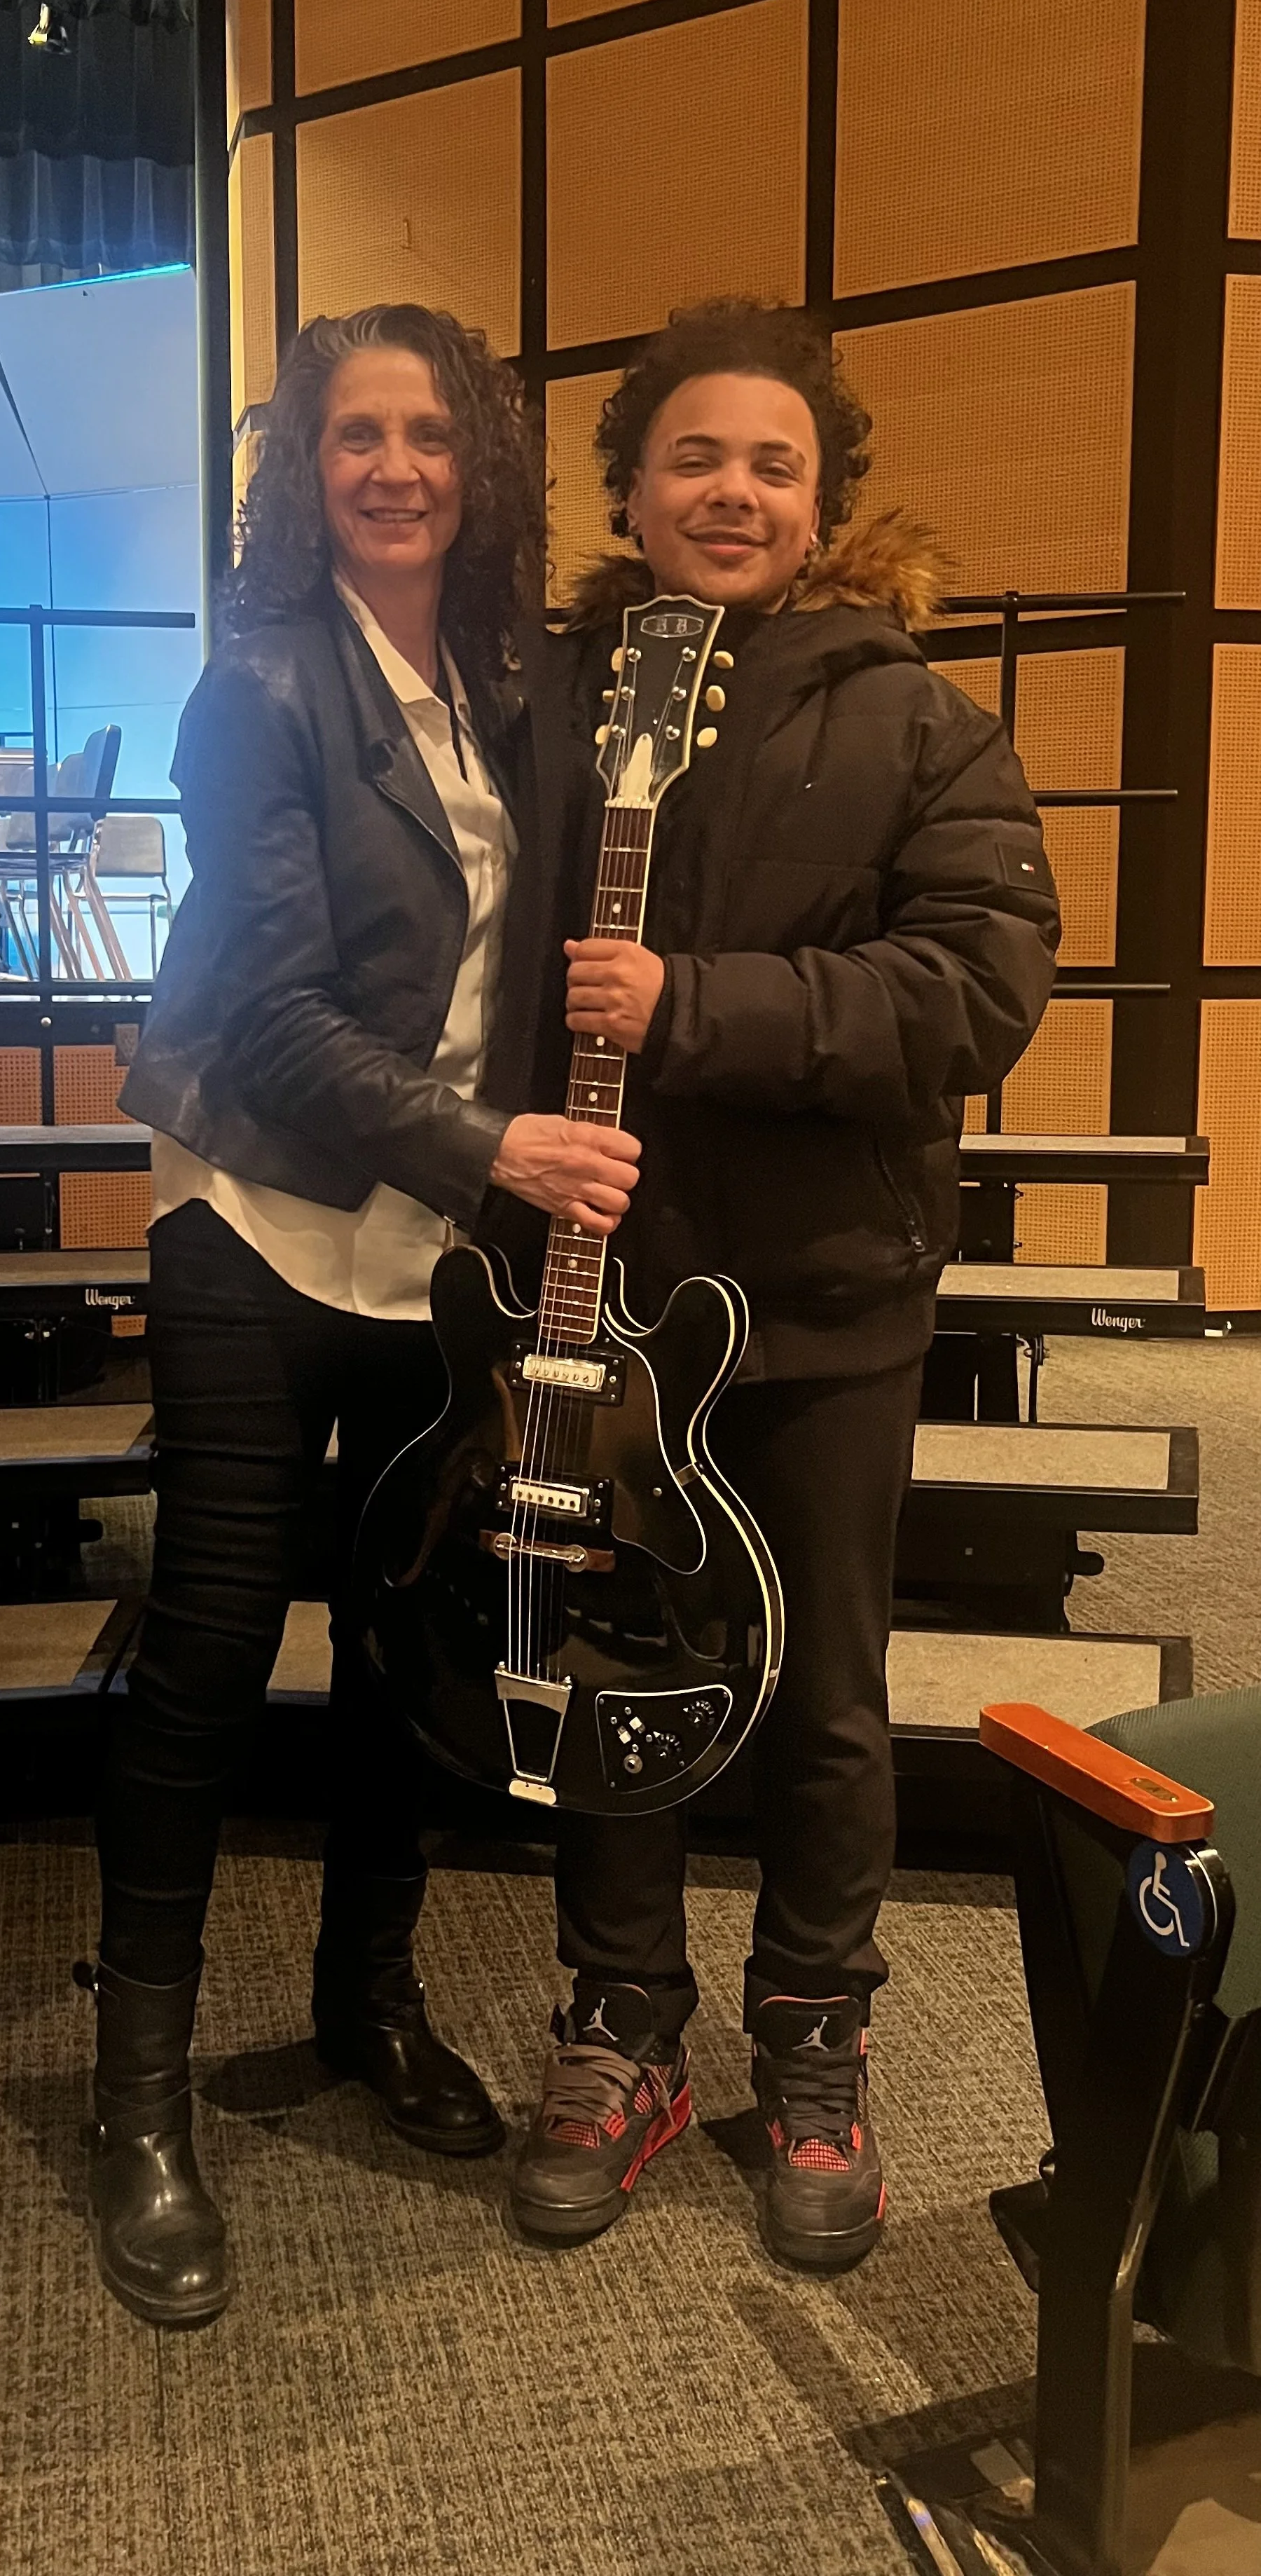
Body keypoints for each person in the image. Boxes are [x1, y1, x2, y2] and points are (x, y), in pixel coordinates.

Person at [502, 299, 1060, 2273]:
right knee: (618, 1668)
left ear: (823, 505)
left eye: (772, 465)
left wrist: (698, 1007)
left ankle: (810, 2043)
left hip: (823, 1289)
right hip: (597, 1289)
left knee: (822, 1692)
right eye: (691, 458)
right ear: (628, 488)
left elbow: (982, 986)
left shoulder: (915, 715)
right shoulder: (540, 695)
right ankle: (620, 2021)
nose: (729, 492)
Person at [99, 303, 641, 2327]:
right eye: (355, 438)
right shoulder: (253, 687)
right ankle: (134, 2103)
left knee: (410, 1644)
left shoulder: (504, 682)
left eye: (431, 434)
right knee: (219, 1647)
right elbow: (269, 1009)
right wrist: (494, 1146)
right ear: (300, 471)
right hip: (258, 1210)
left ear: (476, 467)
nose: (397, 466)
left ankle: (361, 2006)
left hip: (430, 1251)